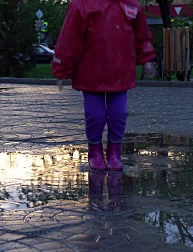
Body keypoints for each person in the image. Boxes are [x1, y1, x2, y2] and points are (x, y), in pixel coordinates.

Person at [52, 0, 156, 171]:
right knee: (95, 116)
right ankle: (95, 152)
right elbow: (70, 38)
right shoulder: (83, 5)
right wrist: (62, 68)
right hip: (90, 73)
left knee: (118, 114)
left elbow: (141, 35)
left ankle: (115, 152)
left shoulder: (130, 5)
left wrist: (147, 60)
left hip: (120, 72)